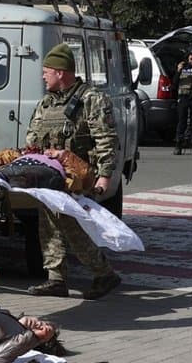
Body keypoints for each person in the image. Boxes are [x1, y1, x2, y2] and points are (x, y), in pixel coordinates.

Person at [22, 43, 122, 300]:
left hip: (78, 177)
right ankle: (56, 278)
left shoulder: (92, 99)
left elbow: (106, 139)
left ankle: (104, 273)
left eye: (46, 71)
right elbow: (33, 135)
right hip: (51, 177)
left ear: (61, 72)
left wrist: (104, 176)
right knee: (48, 227)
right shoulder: (47, 103)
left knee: (72, 226)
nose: (43, 76)